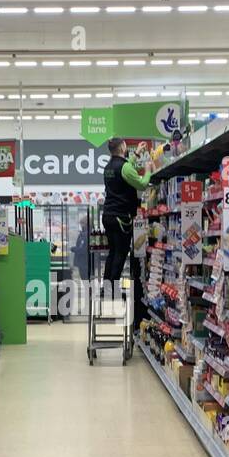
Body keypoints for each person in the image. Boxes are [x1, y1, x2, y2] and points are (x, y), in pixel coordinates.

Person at [101, 136, 152, 324]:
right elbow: (141, 183)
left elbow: (125, 168)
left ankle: (106, 289)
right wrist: (147, 171)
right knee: (121, 254)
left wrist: (137, 154)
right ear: (123, 147)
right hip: (121, 217)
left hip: (108, 215)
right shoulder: (124, 168)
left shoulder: (109, 167)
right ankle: (112, 293)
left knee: (112, 252)